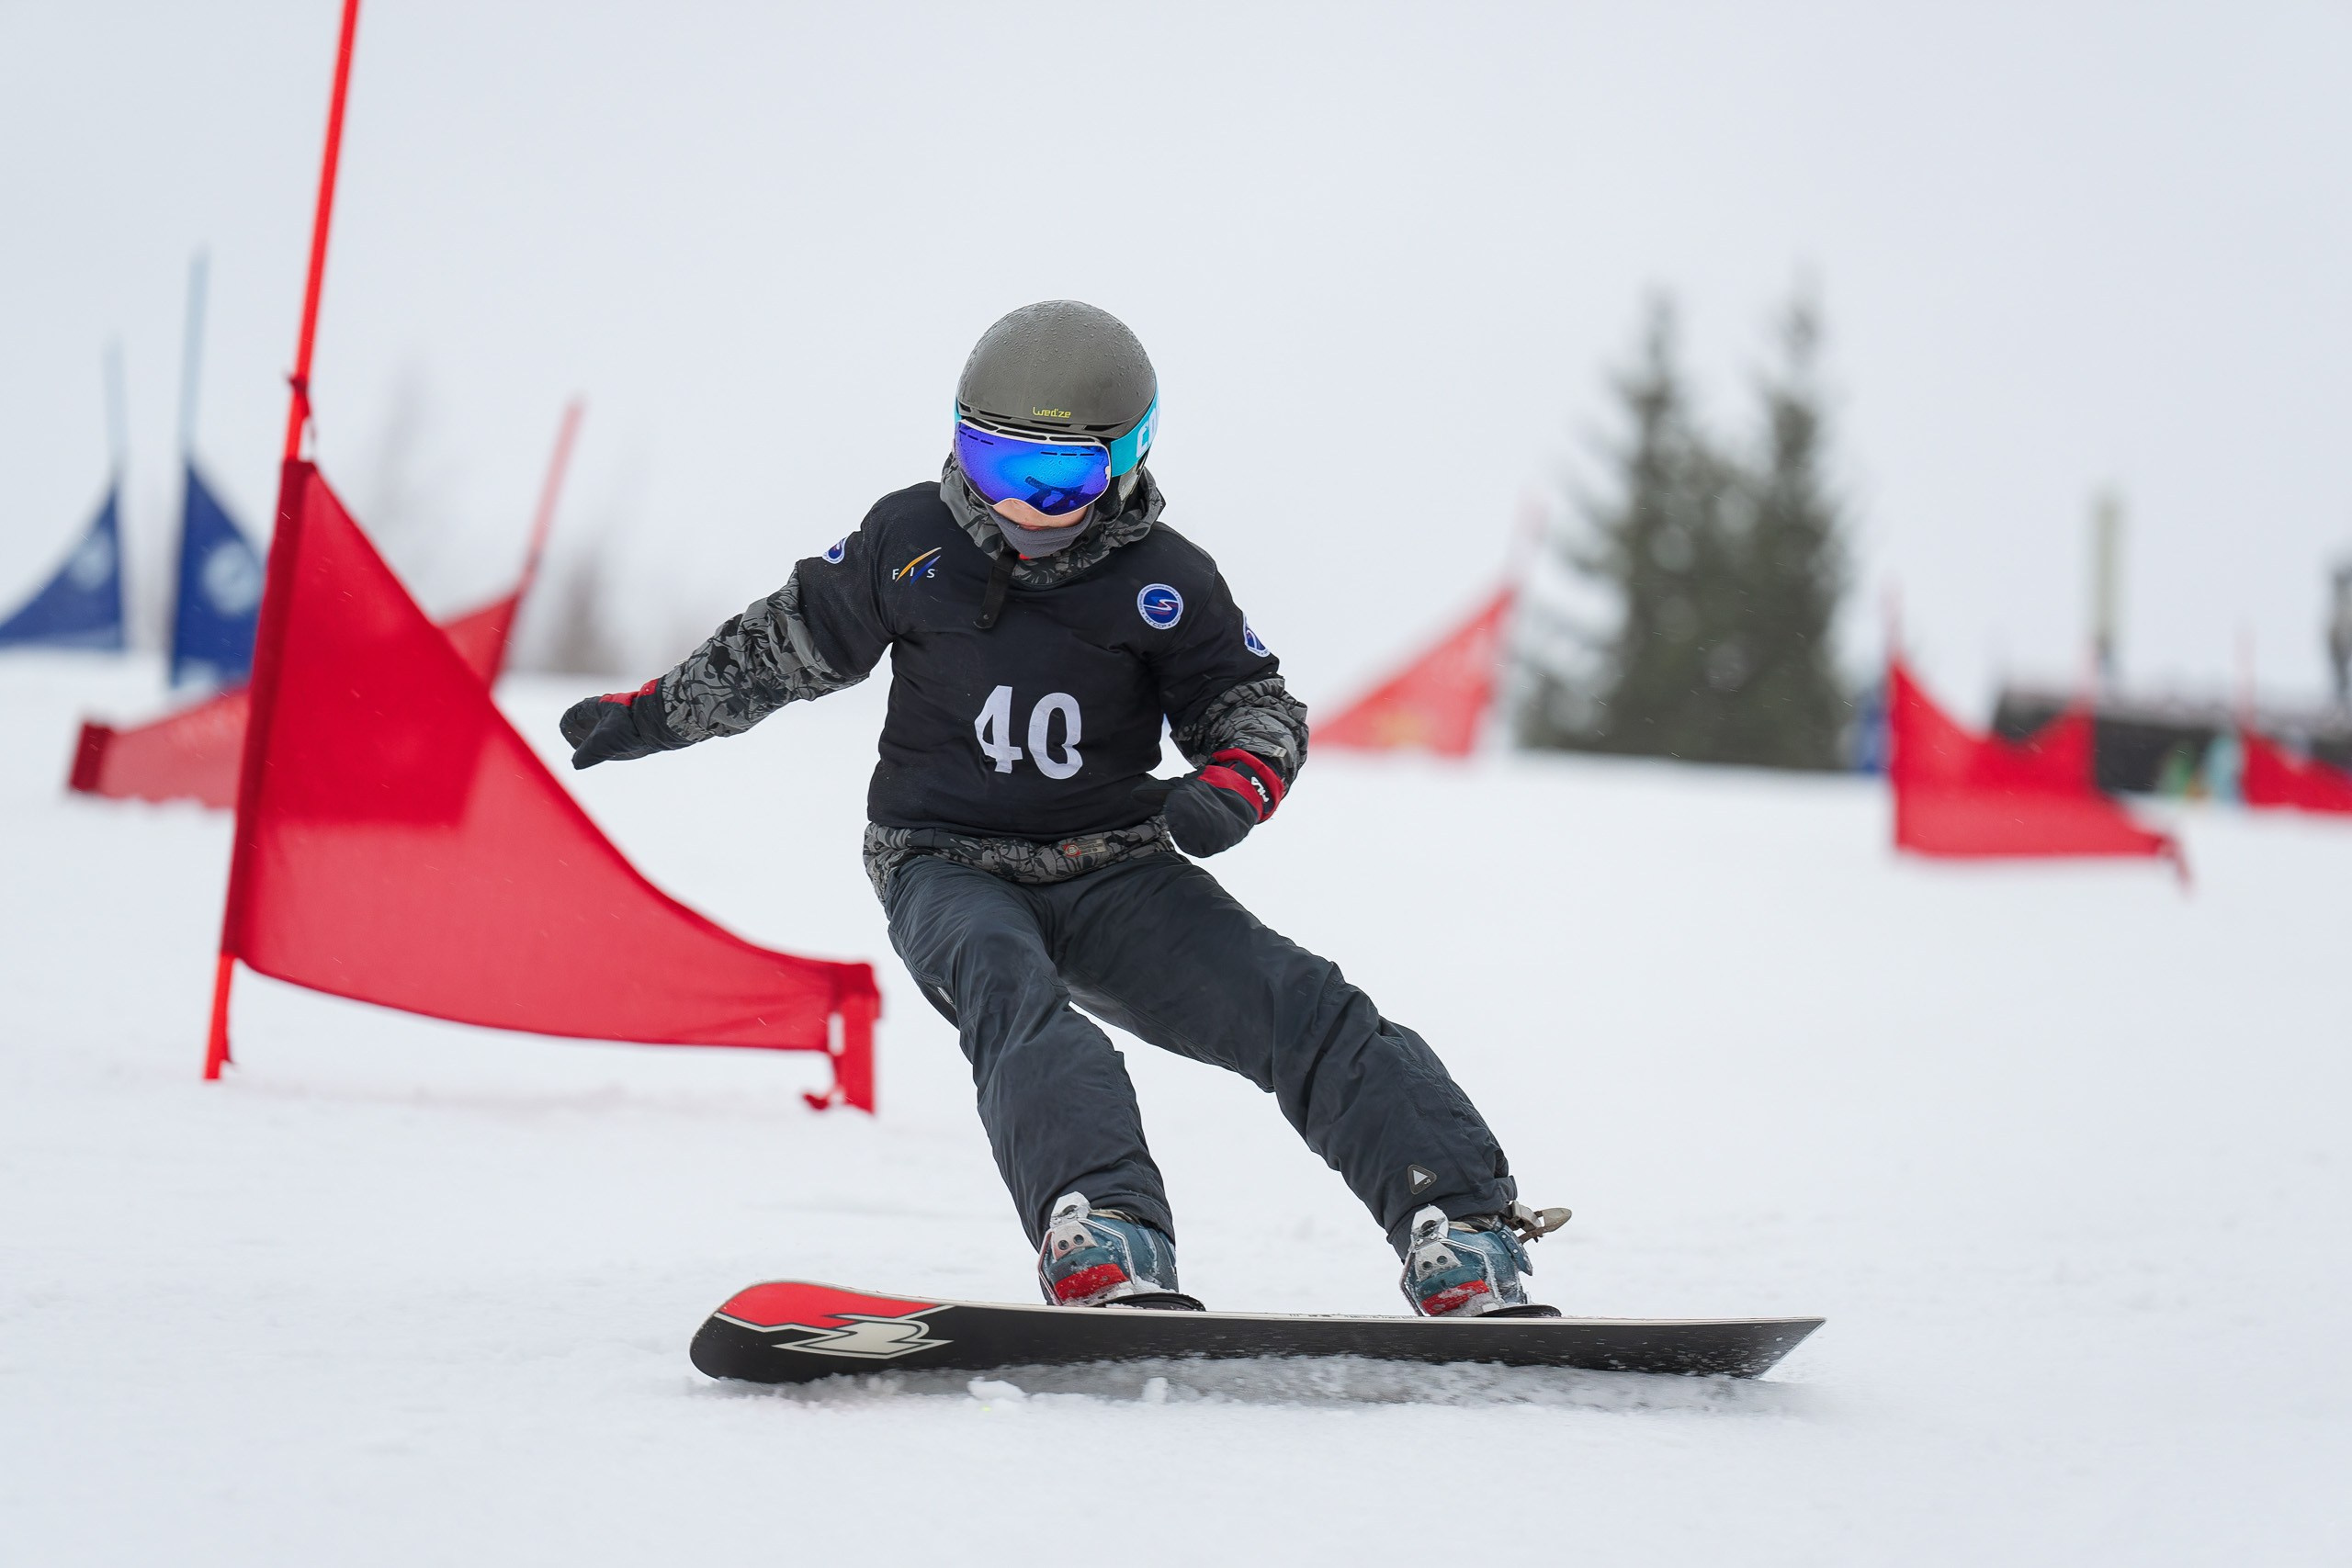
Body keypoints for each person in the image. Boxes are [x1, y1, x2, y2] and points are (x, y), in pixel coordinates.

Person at [560, 301, 1564, 1316]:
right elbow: (781, 647)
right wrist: (653, 716)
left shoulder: (1165, 582)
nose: (1024, 508)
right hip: (941, 859)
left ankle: (1464, 1230)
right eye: (996, 467)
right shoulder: (907, 541)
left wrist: (1233, 783)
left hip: (1113, 867)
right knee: (1011, 994)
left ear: (1125, 462)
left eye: (1061, 478)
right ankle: (1106, 1229)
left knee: (1298, 1007)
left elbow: (1252, 706)